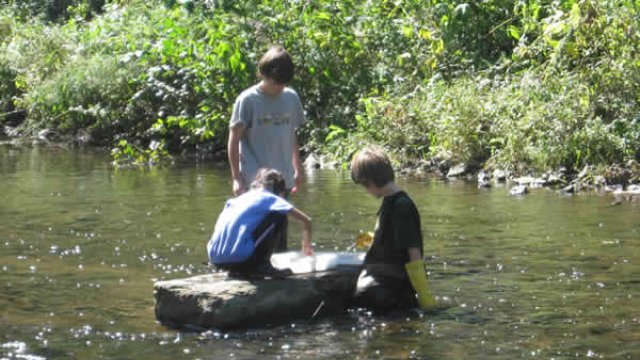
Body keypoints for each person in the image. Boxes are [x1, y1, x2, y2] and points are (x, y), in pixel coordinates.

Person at [227, 45, 306, 252]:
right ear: (262, 73)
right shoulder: (248, 99)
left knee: (279, 229)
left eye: (283, 83)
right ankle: (252, 271)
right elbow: (234, 138)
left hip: (283, 176)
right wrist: (236, 177)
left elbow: (291, 133)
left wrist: (297, 167)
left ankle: (278, 276)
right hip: (255, 178)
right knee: (257, 229)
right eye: (274, 82)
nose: (278, 87)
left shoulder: (291, 97)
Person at [349, 148, 436, 313]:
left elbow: (413, 251)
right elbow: (392, 237)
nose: (366, 191)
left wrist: (424, 295)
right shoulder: (389, 200)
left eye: (363, 186)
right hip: (383, 283)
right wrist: (369, 239)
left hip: (393, 290)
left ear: (369, 182)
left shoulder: (401, 205)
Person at [207, 168, 314, 278]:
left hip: (216, 259)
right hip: (238, 257)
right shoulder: (271, 198)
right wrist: (306, 245)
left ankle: (239, 268)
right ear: (280, 190)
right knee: (279, 215)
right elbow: (306, 220)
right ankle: (263, 266)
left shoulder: (237, 200)